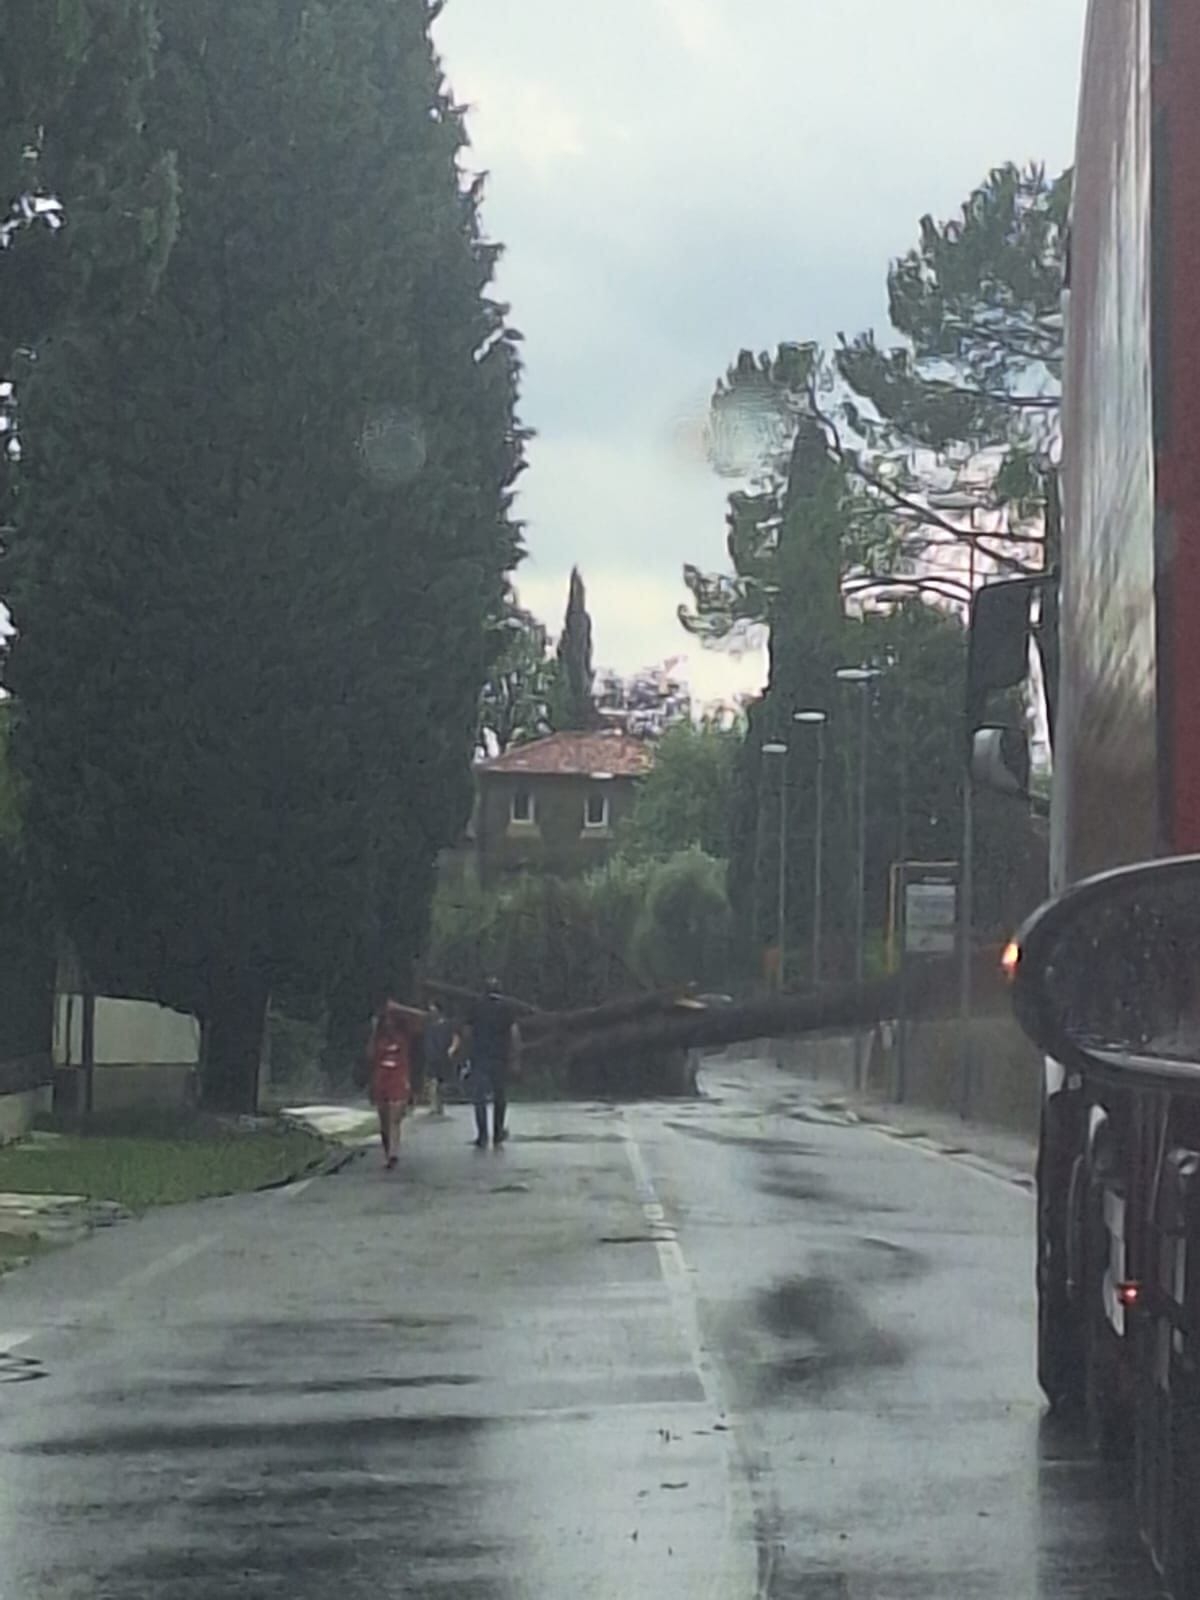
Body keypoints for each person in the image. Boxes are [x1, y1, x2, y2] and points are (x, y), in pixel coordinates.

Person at [462, 976, 521, 1149]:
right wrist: (515, 1058)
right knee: (499, 1096)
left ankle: (482, 1135)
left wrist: (466, 1053)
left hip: (480, 1057)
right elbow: (514, 1033)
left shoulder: (475, 1006)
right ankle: (497, 1132)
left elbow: (467, 1031)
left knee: (479, 1098)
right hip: (500, 1058)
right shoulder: (507, 1008)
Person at [366, 999, 421, 1170]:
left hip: (399, 1078)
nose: (389, 1024)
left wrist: (400, 1008)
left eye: (392, 1021)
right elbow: (369, 1055)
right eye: (386, 1021)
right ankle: (387, 1150)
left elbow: (426, 1017)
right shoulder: (378, 1038)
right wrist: (374, 1030)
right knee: (384, 1121)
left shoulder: (405, 1036)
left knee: (394, 1119)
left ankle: (393, 1154)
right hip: (381, 1078)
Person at [422, 999, 458, 1116]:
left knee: (441, 1083)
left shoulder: (447, 1024)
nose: (431, 1013)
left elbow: (455, 1037)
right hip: (431, 1056)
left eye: (433, 1010)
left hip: (443, 1056)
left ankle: (440, 1104)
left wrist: (452, 1048)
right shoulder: (427, 1025)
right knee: (431, 1081)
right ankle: (433, 1105)